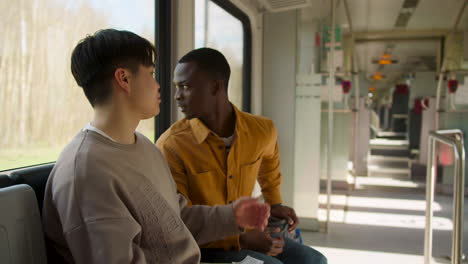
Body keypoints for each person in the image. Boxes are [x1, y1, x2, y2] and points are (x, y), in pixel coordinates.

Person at [42, 29, 270, 264]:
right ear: (124, 79)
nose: (158, 85)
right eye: (150, 74)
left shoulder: (144, 147)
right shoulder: (87, 171)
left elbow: (175, 220)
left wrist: (232, 216)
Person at [156, 48, 327, 264]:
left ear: (215, 87)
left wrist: (274, 204)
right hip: (203, 246)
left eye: (185, 86)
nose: (177, 96)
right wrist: (241, 239)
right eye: (176, 87)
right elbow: (179, 221)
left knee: (314, 260)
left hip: (249, 232)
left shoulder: (261, 130)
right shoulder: (172, 145)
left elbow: (269, 162)